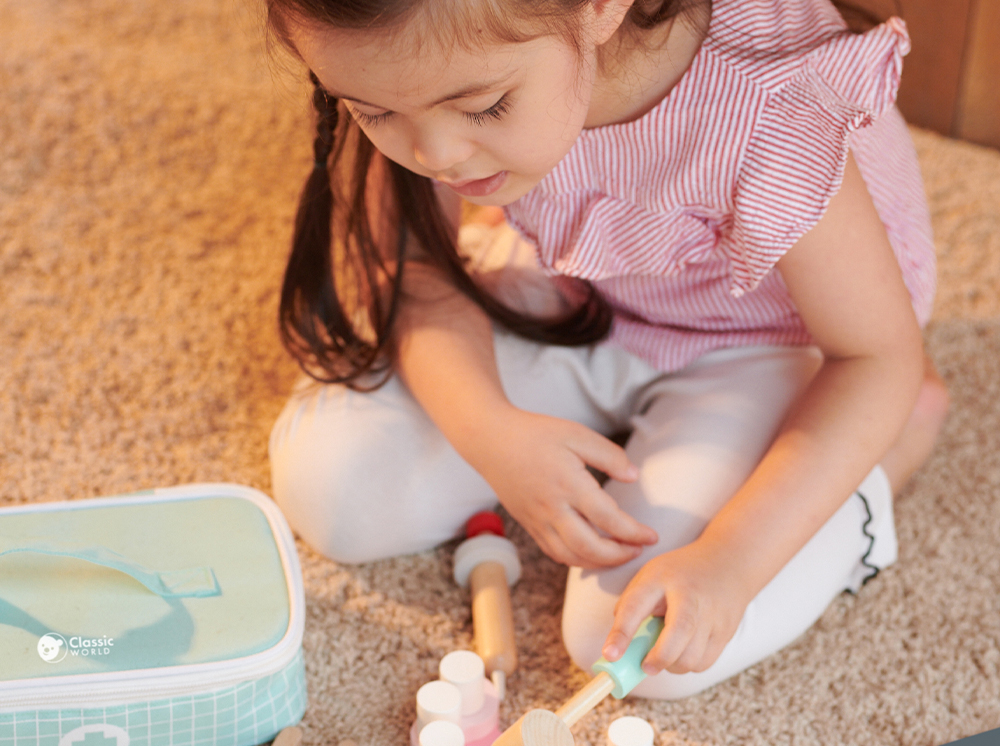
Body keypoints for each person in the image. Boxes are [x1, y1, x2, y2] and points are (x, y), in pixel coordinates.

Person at [266, 0, 949, 698]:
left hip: (777, 343)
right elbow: (412, 266)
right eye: (374, 113)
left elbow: (872, 357)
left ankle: (888, 445)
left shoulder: (768, 104)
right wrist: (492, 431)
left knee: (633, 642)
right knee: (333, 492)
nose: (433, 158)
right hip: (581, 289)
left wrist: (730, 562)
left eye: (484, 106)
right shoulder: (399, 56)